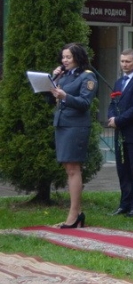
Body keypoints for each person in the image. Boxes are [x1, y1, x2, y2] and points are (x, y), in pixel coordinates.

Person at [50, 43, 98, 228]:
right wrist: (52, 80)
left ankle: (74, 213)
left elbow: (85, 102)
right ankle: (77, 213)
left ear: (78, 57)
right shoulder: (64, 75)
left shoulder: (87, 76)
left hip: (76, 126)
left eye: (68, 57)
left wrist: (65, 97)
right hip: (62, 124)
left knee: (73, 168)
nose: (65, 60)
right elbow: (50, 99)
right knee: (68, 168)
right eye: (63, 57)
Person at [107, 49, 133, 217]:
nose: (124, 65)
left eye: (128, 62)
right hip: (120, 132)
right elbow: (112, 103)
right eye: (122, 61)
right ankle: (125, 202)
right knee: (122, 169)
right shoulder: (118, 82)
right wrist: (111, 117)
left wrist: (119, 120)